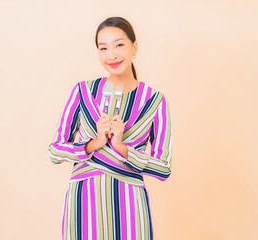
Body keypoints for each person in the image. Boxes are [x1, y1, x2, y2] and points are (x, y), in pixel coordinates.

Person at [48, 16, 172, 240]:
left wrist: (122, 148)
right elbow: (55, 151)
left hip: (130, 205)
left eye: (119, 45)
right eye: (103, 48)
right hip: (83, 202)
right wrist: (94, 144)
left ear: (135, 47)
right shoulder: (82, 92)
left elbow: (163, 168)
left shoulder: (155, 101)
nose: (111, 55)